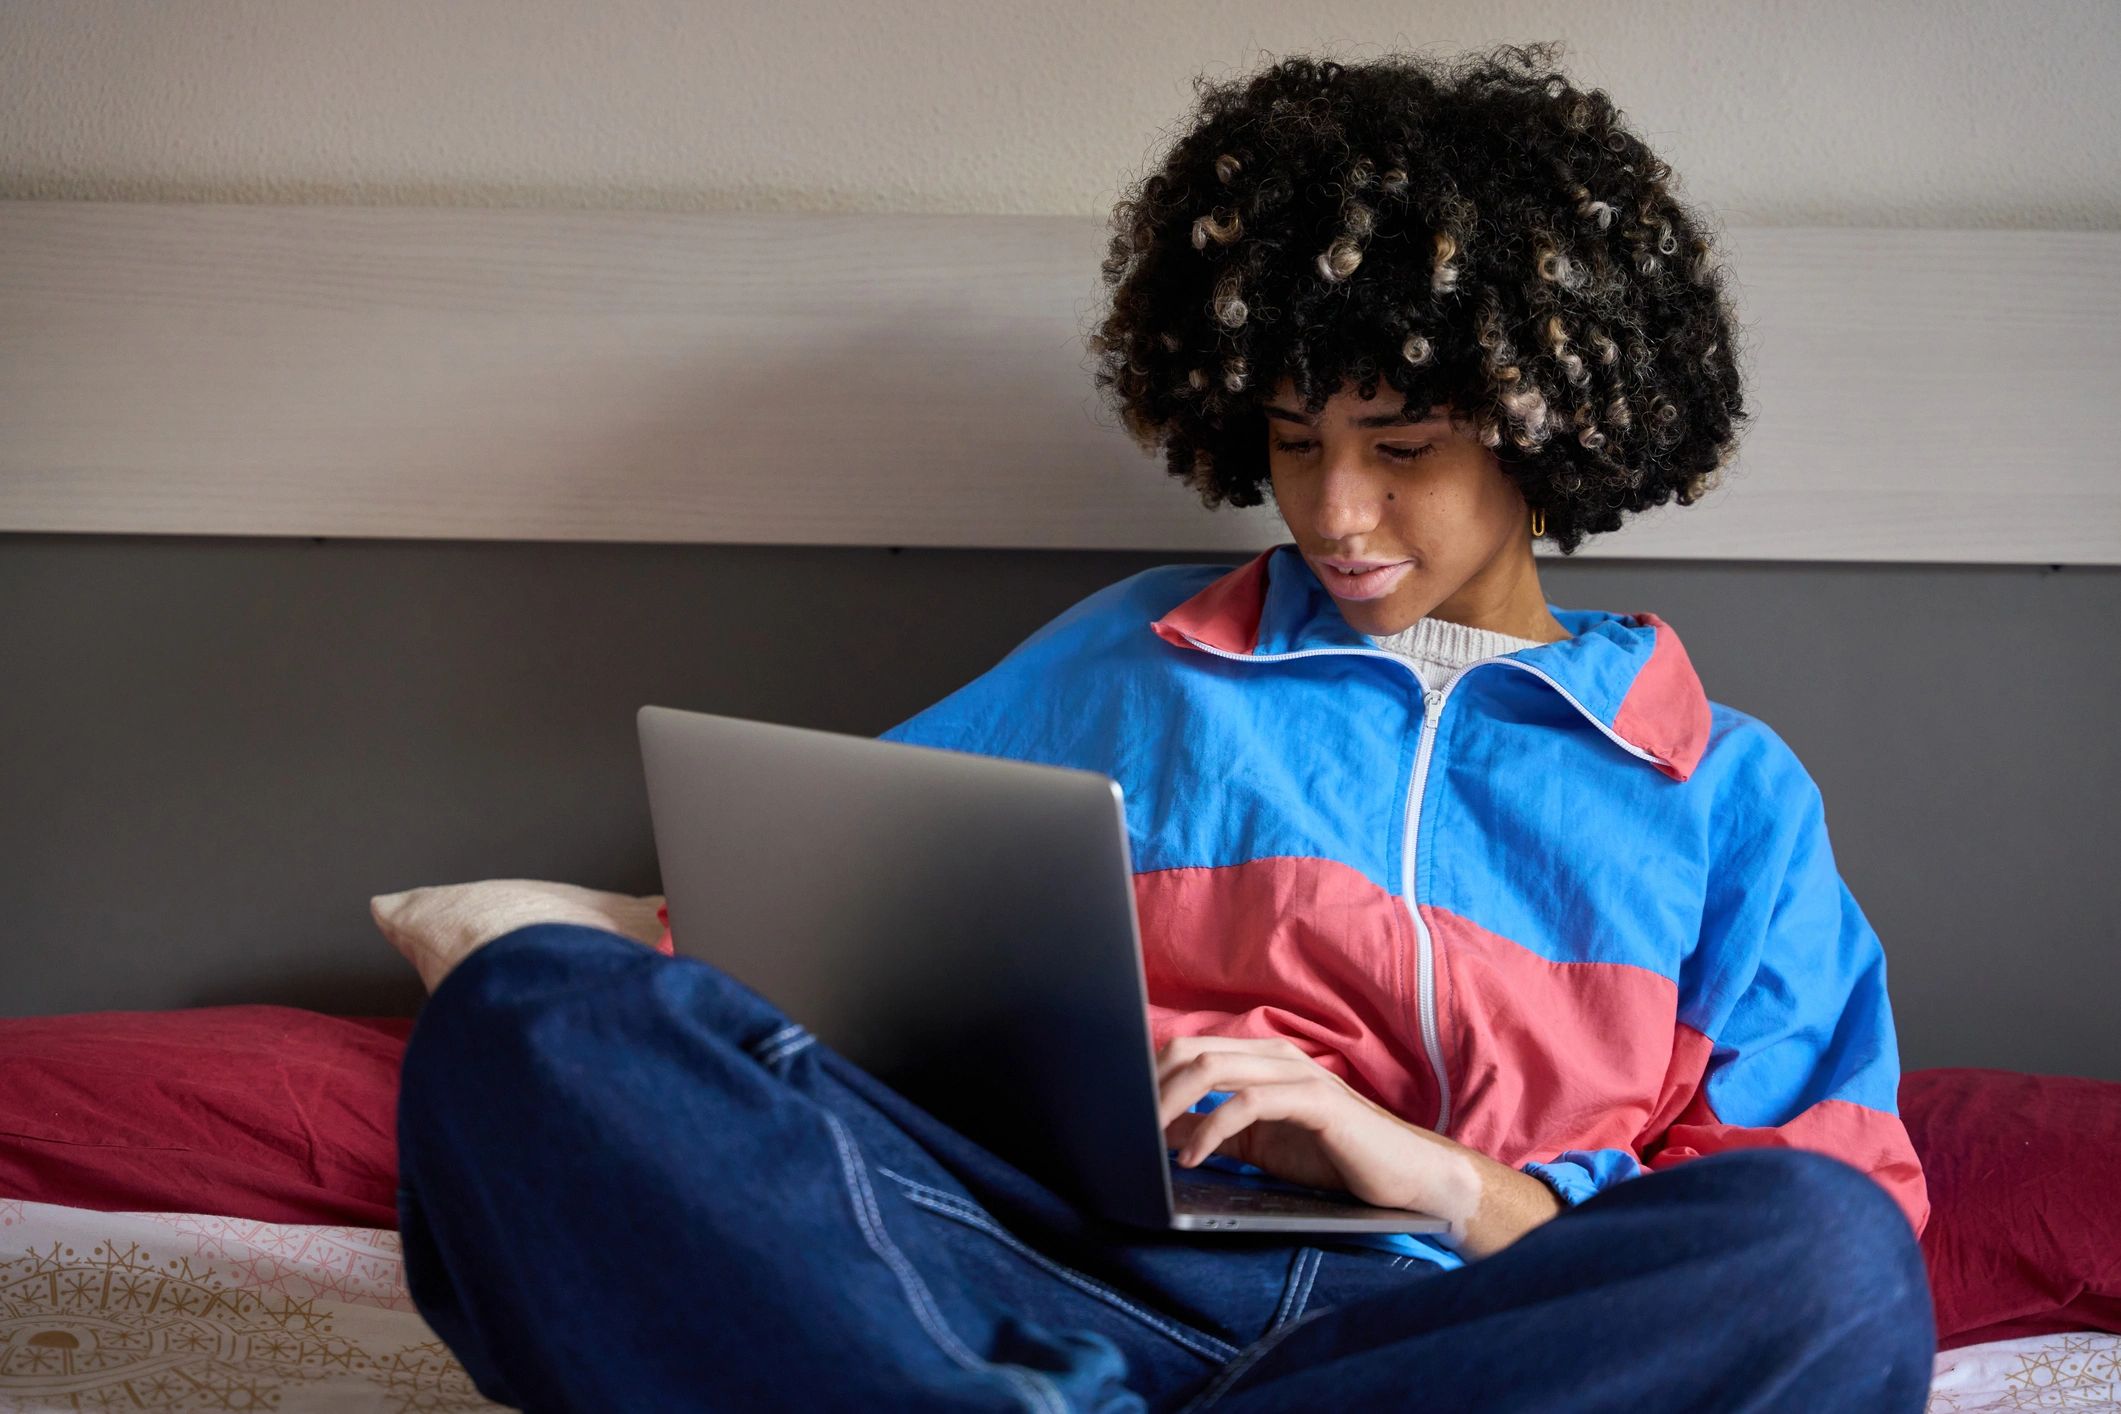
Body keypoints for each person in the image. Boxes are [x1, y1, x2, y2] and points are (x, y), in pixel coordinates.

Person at [384, 43, 1938, 1411]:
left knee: (1834, 1260)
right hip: (1023, 1271)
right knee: (534, 1011)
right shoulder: (1138, 655)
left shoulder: (1722, 791)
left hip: (1452, 1340)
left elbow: (1799, 1211)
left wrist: (1446, 1182)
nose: (1334, 511)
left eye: (1398, 444)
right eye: (1291, 442)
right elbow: (792, 952)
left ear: (1543, 419)